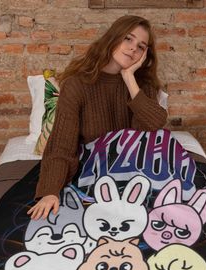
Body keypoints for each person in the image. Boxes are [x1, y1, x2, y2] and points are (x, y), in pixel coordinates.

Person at [27, 15, 167, 220]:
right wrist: (50, 191)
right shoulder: (78, 84)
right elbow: (62, 144)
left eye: (141, 46)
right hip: (93, 170)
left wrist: (129, 77)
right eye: (128, 39)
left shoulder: (141, 85)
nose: (132, 48)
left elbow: (154, 125)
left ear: (144, 55)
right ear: (113, 37)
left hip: (138, 172)